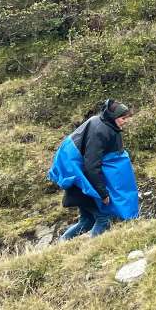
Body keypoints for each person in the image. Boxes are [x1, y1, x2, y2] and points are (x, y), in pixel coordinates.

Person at [56, 100, 132, 240]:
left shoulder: (106, 125)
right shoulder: (100, 131)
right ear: (113, 117)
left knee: (87, 220)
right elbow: (91, 165)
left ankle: (62, 243)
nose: (126, 121)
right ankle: (92, 250)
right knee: (104, 218)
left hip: (83, 182)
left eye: (127, 118)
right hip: (83, 182)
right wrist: (103, 194)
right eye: (123, 118)